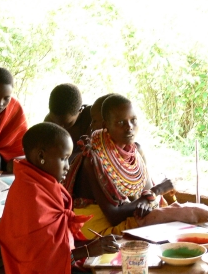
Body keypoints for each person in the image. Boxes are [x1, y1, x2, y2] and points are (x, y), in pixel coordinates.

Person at [0, 122, 155, 274]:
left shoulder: (38, 183)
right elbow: (43, 259)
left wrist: (89, 247)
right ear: (40, 156)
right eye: (63, 159)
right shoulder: (31, 194)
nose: (68, 166)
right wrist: (89, 249)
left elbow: (55, 241)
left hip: (60, 270)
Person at [63, 94, 175, 239]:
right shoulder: (94, 159)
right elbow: (115, 215)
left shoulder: (134, 151)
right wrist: (157, 190)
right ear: (106, 125)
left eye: (133, 120)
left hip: (123, 218)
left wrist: (147, 200)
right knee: (181, 215)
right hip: (98, 232)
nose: (129, 127)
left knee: (178, 215)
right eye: (121, 122)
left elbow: (145, 195)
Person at [44, 83, 91, 159]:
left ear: (80, 110)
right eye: (56, 123)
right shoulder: (48, 122)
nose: (61, 128)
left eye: (67, 124)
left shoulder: (92, 118)